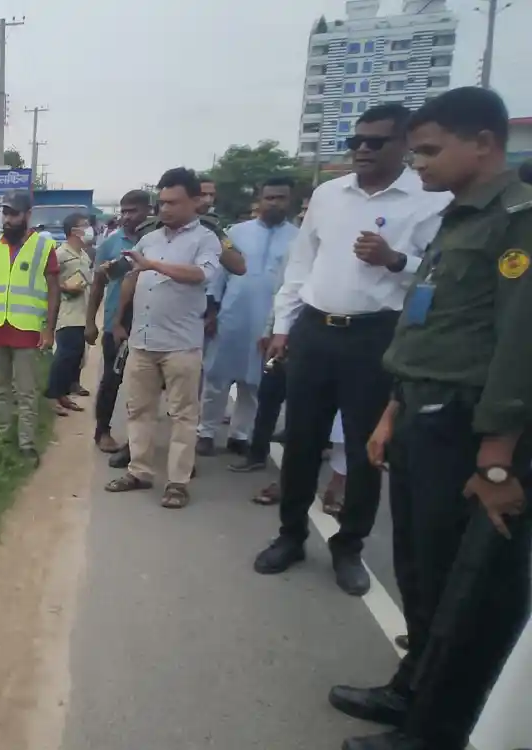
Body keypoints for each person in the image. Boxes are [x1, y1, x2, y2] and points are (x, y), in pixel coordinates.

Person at [333, 86, 532, 750]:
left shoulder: (517, 221)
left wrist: (498, 459)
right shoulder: (457, 218)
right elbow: (428, 328)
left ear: (484, 142)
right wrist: (391, 412)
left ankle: (436, 730)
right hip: (420, 411)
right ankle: (411, 689)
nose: (418, 163)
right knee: (418, 571)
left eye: (428, 150)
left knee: (460, 592)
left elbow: (518, 346)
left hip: (468, 432)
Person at [253, 103, 452, 596]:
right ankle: (291, 535)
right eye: (356, 141)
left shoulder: (429, 200)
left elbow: (439, 274)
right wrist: (284, 324)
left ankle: (349, 547)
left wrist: (393, 260)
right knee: (301, 442)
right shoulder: (328, 194)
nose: (362, 149)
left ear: (404, 144)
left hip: (376, 336)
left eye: (376, 141)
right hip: (315, 331)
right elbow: (301, 265)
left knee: (365, 450)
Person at [104, 168, 221, 508]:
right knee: (138, 410)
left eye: (173, 202)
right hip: (142, 339)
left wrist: (153, 265)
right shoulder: (149, 238)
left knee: (183, 415)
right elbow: (132, 275)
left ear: (195, 201)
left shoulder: (205, 240)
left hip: (181, 344)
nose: (164, 209)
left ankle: (177, 483)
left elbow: (202, 274)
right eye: (162, 202)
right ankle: (139, 471)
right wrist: (118, 318)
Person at [198, 177, 298, 458]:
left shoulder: (299, 238)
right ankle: (206, 432)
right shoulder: (236, 233)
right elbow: (219, 275)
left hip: (271, 322)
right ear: (259, 200)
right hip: (232, 316)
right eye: (269, 198)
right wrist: (212, 311)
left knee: (254, 382)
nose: (275, 203)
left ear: (289, 202)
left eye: (281, 198)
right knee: (217, 377)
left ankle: (240, 435)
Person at [0, 190, 61, 466]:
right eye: (6, 213)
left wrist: (49, 329)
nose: (8, 219)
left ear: (27, 215)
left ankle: (26, 445)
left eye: (14, 213)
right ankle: (3, 439)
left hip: (27, 330)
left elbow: (54, 290)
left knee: (26, 391)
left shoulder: (43, 247)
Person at [84, 191, 154, 452]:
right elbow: (97, 285)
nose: (126, 217)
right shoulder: (111, 244)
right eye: (123, 211)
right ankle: (102, 431)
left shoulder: (159, 243)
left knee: (146, 386)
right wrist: (90, 322)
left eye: (133, 211)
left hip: (151, 324)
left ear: (149, 210)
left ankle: (137, 442)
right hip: (117, 324)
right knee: (112, 380)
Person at [45, 213, 92, 416]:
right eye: (85, 225)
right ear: (74, 231)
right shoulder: (60, 254)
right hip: (67, 312)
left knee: (76, 357)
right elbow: (48, 281)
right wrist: (65, 287)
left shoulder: (84, 254)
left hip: (82, 312)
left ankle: (63, 395)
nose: (89, 229)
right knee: (64, 356)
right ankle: (52, 397)